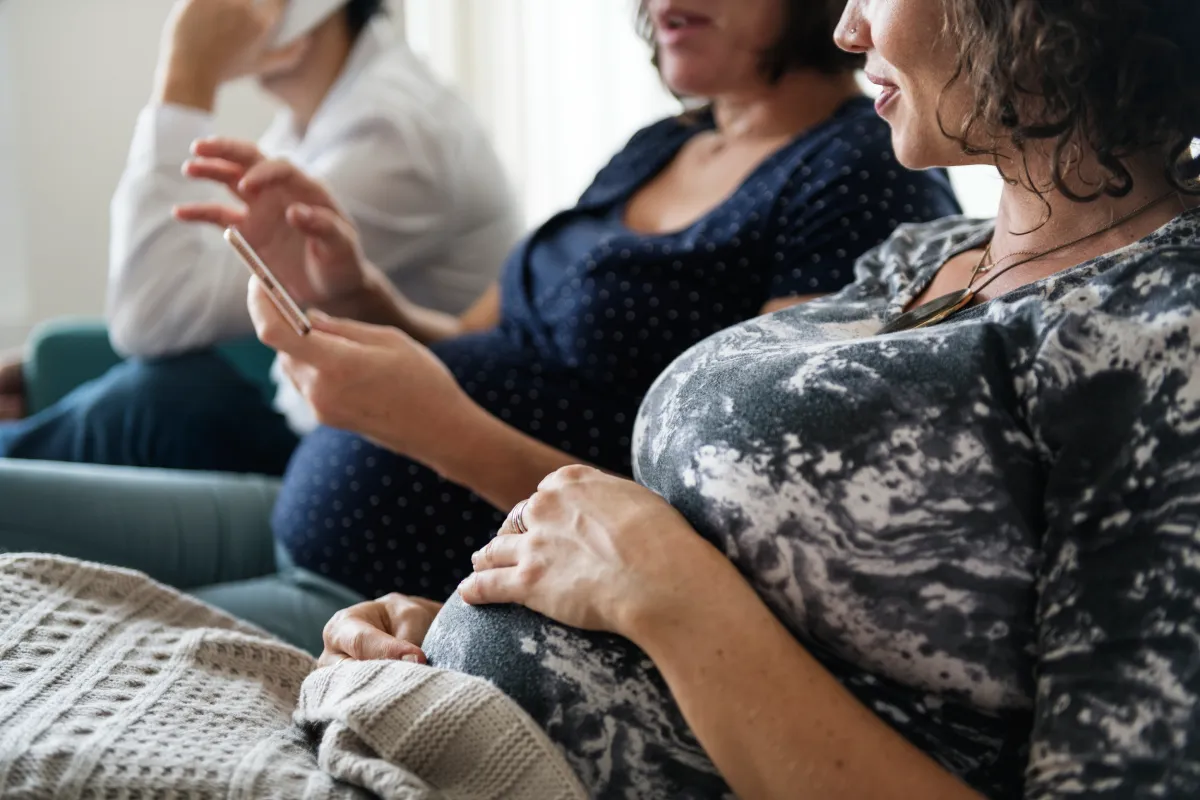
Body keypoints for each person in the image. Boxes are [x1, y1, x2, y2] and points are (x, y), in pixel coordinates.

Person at [5, 0, 1196, 796]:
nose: (849, 20)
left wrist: (658, 594)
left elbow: (689, 578)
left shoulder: (1158, 335)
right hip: (421, 698)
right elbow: (794, 591)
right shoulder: (917, 265)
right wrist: (470, 620)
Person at [0, 0, 958, 650]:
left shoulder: (856, 174)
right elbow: (466, 337)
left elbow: (732, 537)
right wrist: (350, 286)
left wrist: (434, 431)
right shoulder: (661, 144)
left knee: (39, 637)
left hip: (389, 590)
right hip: (299, 506)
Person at [0, 0, 519, 475]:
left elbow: (147, 316)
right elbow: (174, 306)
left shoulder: (394, 131)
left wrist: (186, 72)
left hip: (362, 461)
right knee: (135, 386)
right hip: (305, 415)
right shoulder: (332, 110)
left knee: (160, 402)